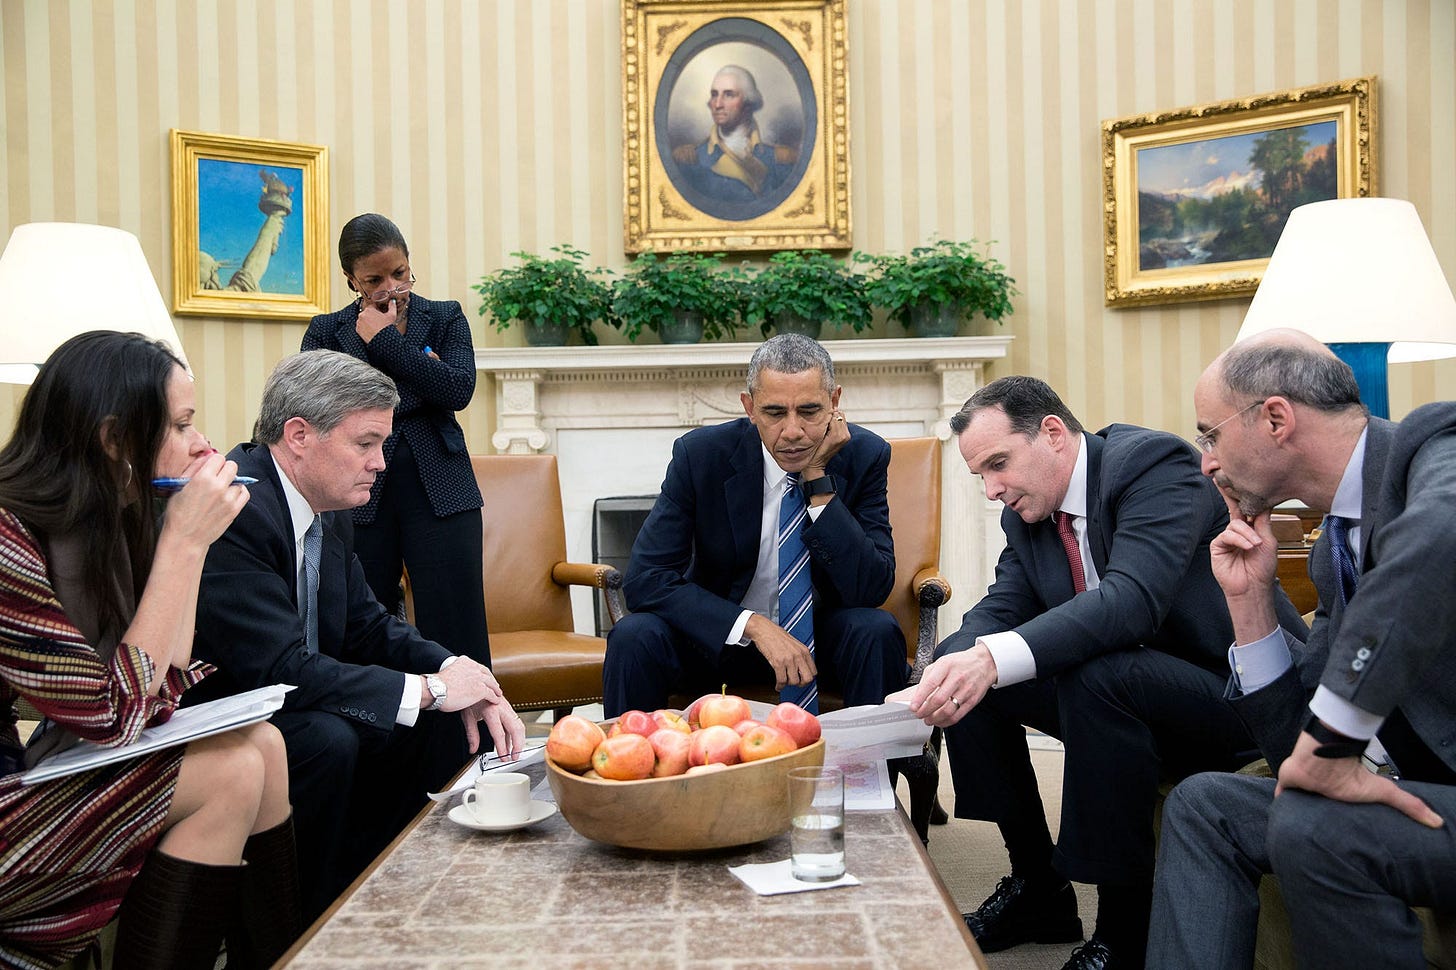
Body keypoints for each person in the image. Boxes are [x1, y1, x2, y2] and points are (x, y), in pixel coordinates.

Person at [906, 376, 1306, 970]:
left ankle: (1124, 930)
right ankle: (1038, 888)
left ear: (1052, 434)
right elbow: (1004, 605)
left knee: (1090, 672)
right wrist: (943, 668)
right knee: (972, 681)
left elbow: (1132, 601)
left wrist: (991, 657)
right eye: (981, 476)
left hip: (1235, 695)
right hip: (1131, 695)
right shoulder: (1029, 513)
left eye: (998, 464)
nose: (992, 490)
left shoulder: (1152, 465)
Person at [1147, 330, 1456, 969]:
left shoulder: (1433, 450)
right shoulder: (1329, 550)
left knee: (1316, 828)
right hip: (1416, 794)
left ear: (1277, 419)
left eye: (1210, 435)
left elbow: (1434, 546)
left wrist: (1335, 743)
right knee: (1204, 804)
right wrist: (1251, 606)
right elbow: (1292, 753)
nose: (1205, 462)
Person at [189, 349, 524, 920]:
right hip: (229, 714)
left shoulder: (329, 506)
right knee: (333, 736)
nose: (381, 464)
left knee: (434, 719)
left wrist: (456, 670)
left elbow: (368, 625)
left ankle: (391, 891)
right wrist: (430, 690)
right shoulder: (236, 508)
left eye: (382, 446)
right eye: (364, 444)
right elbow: (278, 668)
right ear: (299, 435)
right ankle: (310, 918)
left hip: (298, 696)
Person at [0, 331, 299, 969]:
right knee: (230, 772)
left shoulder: (98, 522)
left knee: (265, 747)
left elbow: (157, 691)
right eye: (183, 424)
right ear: (114, 440)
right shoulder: (5, 540)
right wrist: (183, 546)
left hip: (20, 780)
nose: (202, 445)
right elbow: (113, 716)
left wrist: (185, 542)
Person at [603, 333, 905, 717]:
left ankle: (867, 775)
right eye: (775, 413)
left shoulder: (865, 455)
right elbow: (646, 579)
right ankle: (630, 769)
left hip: (819, 644)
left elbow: (871, 586)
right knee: (634, 636)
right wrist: (754, 626)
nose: (793, 431)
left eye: (810, 411)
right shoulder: (701, 455)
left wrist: (818, 480)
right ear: (749, 407)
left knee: (876, 630)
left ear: (834, 402)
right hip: (720, 641)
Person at [301, 213, 489, 667]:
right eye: (375, 279)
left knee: (457, 627)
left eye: (399, 273)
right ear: (352, 280)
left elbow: (458, 390)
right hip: (357, 498)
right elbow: (325, 409)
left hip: (443, 491)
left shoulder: (445, 316)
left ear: (409, 262)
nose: (391, 287)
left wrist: (384, 342)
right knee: (365, 626)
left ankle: (474, 735)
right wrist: (424, 376)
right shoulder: (326, 332)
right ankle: (382, 734)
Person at [671, 65, 799, 205]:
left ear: (748, 102)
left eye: (729, 95)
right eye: (714, 94)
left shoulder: (782, 160)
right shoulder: (690, 160)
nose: (717, 104)